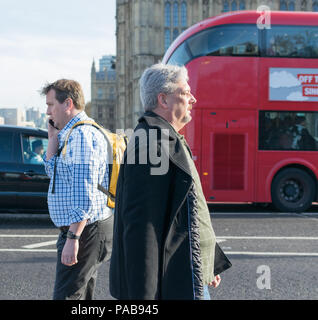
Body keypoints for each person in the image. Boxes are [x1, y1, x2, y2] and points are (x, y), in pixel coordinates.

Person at [109, 63, 231, 300]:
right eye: (185, 92)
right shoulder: (150, 146)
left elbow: (192, 207)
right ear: (163, 100)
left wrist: (210, 261)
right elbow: (142, 229)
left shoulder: (167, 137)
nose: (193, 99)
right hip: (177, 279)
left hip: (193, 269)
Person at [41, 79, 113, 300]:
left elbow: (84, 193)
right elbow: (53, 173)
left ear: (67, 104)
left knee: (68, 297)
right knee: (81, 296)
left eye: (51, 104)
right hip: (86, 229)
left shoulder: (81, 137)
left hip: (85, 231)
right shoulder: (70, 134)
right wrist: (52, 138)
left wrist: (73, 238)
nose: (47, 111)